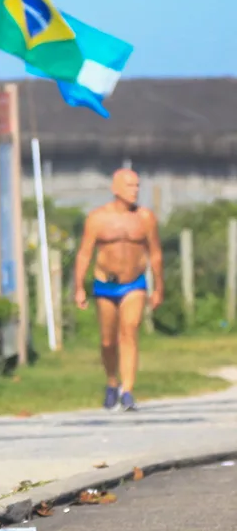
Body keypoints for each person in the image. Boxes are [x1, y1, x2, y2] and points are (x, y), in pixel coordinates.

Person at [73, 168, 163, 411]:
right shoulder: (98, 218)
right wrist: (79, 287)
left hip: (134, 283)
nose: (135, 190)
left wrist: (159, 288)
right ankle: (112, 382)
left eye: (137, 186)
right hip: (105, 283)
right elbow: (84, 253)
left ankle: (128, 391)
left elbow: (154, 254)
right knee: (107, 340)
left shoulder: (145, 218)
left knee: (129, 330)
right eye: (129, 186)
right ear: (115, 188)